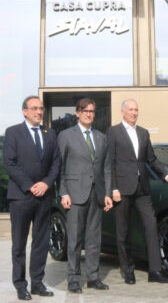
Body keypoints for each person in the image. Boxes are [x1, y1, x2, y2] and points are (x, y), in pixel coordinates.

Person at [107, 99, 168, 284]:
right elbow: (110, 162)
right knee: (123, 232)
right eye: (131, 109)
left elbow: (151, 159)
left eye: (136, 110)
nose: (134, 113)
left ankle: (155, 271)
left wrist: (166, 175)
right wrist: (113, 188)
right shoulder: (113, 132)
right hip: (122, 189)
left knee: (151, 227)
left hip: (142, 188)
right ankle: (128, 271)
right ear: (123, 112)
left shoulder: (143, 132)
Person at [3, 96, 61, 300]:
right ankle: (20, 285)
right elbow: (9, 163)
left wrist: (46, 183)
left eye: (41, 108)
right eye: (34, 108)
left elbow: (56, 162)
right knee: (19, 244)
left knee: (41, 242)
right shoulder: (13, 132)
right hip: (21, 197)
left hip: (44, 196)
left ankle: (37, 283)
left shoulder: (50, 133)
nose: (39, 112)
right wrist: (29, 186)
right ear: (25, 111)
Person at [57, 98, 113, 294]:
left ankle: (93, 277)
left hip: (96, 195)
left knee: (94, 239)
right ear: (77, 113)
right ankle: (73, 279)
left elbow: (107, 168)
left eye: (92, 111)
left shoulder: (101, 137)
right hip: (74, 194)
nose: (89, 114)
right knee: (74, 239)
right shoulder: (65, 136)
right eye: (85, 111)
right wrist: (63, 192)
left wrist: (107, 193)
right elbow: (60, 167)